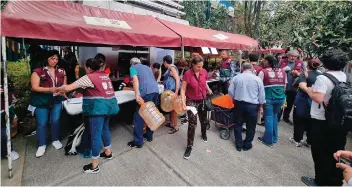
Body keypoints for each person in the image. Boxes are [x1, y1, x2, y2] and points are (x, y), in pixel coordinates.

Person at [58, 58, 119, 173]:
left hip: (97, 110)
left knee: (95, 135)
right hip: (110, 107)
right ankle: (108, 153)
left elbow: (67, 88)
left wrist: (56, 90)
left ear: (89, 68)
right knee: (105, 130)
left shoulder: (89, 77)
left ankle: (94, 166)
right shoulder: (105, 75)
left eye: (85, 67)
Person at [302, 49, 349, 186]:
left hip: (323, 121)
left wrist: (308, 89)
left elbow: (318, 97)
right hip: (341, 121)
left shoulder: (323, 78)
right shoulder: (346, 76)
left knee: (320, 151)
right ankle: (335, 180)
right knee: (336, 151)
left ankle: (320, 181)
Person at [30, 50, 66, 157]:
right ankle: (42, 144)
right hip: (42, 101)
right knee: (42, 122)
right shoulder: (37, 71)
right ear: (47, 58)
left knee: (55, 120)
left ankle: (55, 139)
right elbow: (35, 87)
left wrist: (64, 91)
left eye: (56, 59)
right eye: (52, 58)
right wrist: (50, 89)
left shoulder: (61, 71)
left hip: (57, 100)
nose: (55, 61)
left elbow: (65, 85)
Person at [228, 63, 265, 152]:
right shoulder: (257, 79)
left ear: (242, 68)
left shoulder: (236, 78)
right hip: (252, 106)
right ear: (252, 69)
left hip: (239, 104)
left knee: (238, 124)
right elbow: (262, 95)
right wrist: (261, 106)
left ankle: (239, 145)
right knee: (251, 126)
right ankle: (247, 144)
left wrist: (233, 99)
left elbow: (230, 91)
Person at [181, 55, 212, 159]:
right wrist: (183, 100)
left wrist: (208, 89)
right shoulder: (187, 74)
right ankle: (189, 146)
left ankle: (203, 134)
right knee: (192, 124)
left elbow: (205, 82)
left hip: (202, 100)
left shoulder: (204, 72)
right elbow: (183, 89)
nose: (200, 68)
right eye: (198, 66)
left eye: (202, 66)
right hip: (191, 101)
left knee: (203, 120)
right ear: (193, 65)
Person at [127, 57, 159, 148]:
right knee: (151, 114)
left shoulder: (132, 68)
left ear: (132, 64)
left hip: (145, 92)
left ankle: (138, 142)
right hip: (155, 91)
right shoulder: (147, 67)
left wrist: (137, 94)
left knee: (139, 116)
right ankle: (149, 136)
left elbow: (135, 80)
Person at [290, 59, 322, 147]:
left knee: (299, 120)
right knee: (311, 121)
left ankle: (297, 139)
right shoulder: (321, 75)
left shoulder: (305, 74)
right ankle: (309, 141)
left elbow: (302, 86)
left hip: (302, 100)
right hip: (314, 102)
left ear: (307, 65)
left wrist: (310, 91)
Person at [258, 55, 287, 147]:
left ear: (268, 62)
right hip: (281, 98)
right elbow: (285, 85)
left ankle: (267, 140)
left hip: (269, 98)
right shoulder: (282, 71)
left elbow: (258, 86)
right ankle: (274, 138)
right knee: (274, 116)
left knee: (268, 118)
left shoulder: (263, 72)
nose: (263, 62)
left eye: (264, 60)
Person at [280, 50, 303, 125]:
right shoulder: (282, 61)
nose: (293, 58)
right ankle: (277, 116)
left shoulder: (300, 63)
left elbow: (303, 74)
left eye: (295, 56)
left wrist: (298, 73)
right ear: (288, 55)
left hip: (293, 87)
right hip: (282, 86)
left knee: (289, 103)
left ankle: (286, 117)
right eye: (291, 56)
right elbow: (276, 70)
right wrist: (283, 70)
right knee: (281, 102)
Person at [1, 71, 19, 161]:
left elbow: (12, 89)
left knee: (6, 132)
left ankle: (8, 150)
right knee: (3, 134)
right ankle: (4, 152)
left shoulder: (2, 74)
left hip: (6, 108)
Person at [162, 55, 181, 134]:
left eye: (164, 62)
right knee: (171, 108)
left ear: (165, 62)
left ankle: (175, 127)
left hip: (173, 91)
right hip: (170, 90)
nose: (163, 64)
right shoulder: (171, 68)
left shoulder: (172, 68)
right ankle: (171, 123)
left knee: (173, 110)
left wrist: (176, 91)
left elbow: (177, 79)